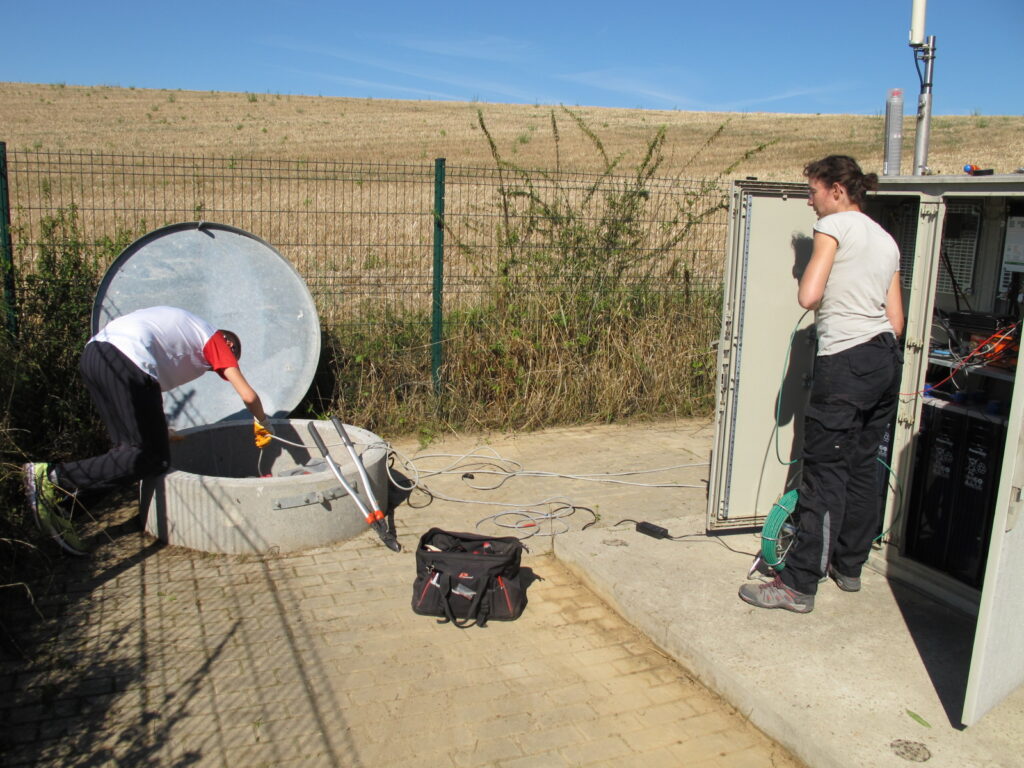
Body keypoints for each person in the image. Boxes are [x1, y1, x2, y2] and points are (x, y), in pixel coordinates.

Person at [739, 155, 904, 613]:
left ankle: (797, 584)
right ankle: (848, 567)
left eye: (812, 191)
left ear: (835, 189)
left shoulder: (834, 227)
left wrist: (816, 277)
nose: (809, 201)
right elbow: (897, 320)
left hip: (845, 362)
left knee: (823, 474)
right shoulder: (886, 240)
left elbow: (808, 295)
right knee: (862, 464)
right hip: (883, 360)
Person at [22, 305, 275, 555]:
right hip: (127, 360)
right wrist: (263, 422)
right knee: (153, 458)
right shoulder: (215, 340)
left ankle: (66, 506)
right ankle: (55, 476)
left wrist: (160, 429)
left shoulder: (186, 339)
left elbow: (147, 393)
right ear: (228, 343)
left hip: (95, 356)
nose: (225, 362)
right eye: (232, 354)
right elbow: (248, 395)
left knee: (127, 455)